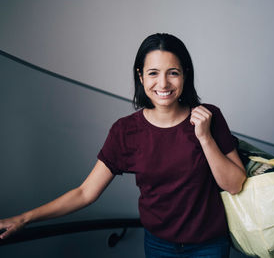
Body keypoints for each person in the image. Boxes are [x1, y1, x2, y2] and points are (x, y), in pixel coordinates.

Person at [0, 33, 246, 257]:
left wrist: (205, 138)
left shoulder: (209, 116)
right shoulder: (125, 131)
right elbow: (85, 192)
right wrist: (25, 218)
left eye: (173, 72)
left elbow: (234, 184)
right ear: (140, 76)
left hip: (209, 246)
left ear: (185, 74)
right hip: (158, 246)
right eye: (153, 73)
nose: (163, 84)